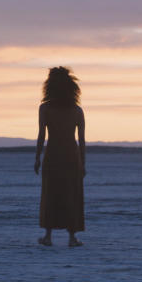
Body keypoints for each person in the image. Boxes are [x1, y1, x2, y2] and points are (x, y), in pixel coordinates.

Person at [34, 66, 86, 247]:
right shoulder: (77, 110)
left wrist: (37, 158)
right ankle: (72, 237)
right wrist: (83, 163)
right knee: (72, 194)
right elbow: (81, 140)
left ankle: (48, 236)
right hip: (71, 155)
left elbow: (42, 135)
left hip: (53, 153)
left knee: (51, 193)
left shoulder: (45, 108)